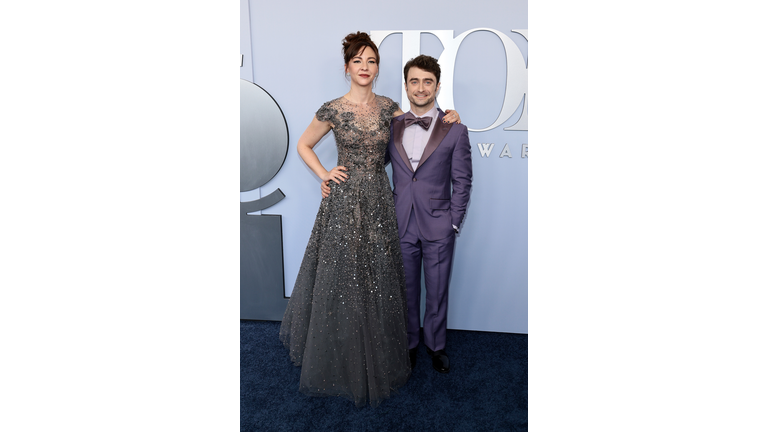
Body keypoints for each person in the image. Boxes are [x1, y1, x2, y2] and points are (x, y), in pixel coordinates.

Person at [279, 33, 460, 407]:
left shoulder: (389, 107)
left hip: (380, 199)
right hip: (345, 201)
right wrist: (324, 174)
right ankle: (342, 347)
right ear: (347, 67)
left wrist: (449, 116)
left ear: (378, 69)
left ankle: (384, 347)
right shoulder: (332, 108)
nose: (365, 67)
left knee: (379, 278)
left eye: (371, 61)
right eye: (358, 61)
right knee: (343, 277)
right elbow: (303, 144)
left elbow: (419, 123)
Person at [323, 55, 472, 374]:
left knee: (438, 289)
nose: (421, 88)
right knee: (404, 290)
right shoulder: (391, 125)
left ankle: (436, 345)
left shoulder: (455, 129)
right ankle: (408, 344)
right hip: (398, 222)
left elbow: (462, 180)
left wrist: (453, 222)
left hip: (439, 224)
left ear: (437, 86)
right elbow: (370, 162)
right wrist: (331, 179)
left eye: (427, 82)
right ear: (406, 86)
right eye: (414, 81)